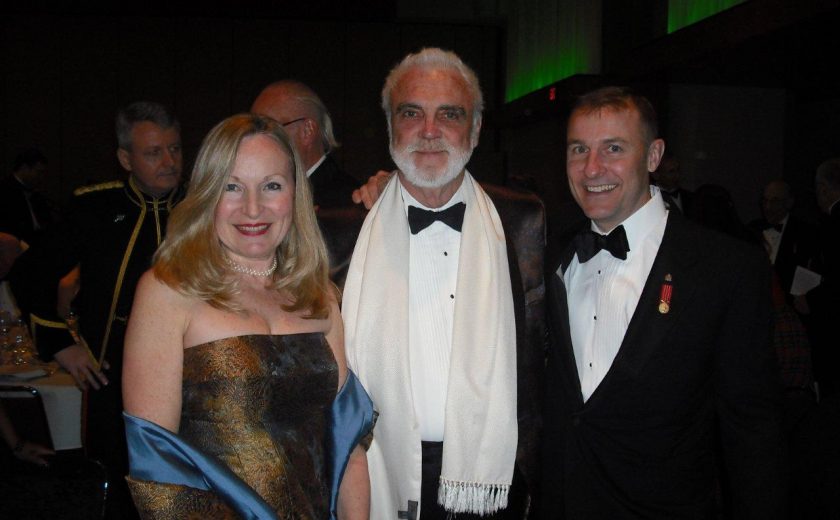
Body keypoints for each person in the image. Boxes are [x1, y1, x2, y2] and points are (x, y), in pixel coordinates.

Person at [540, 86, 786, 518]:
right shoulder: (548, 247)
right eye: (579, 149)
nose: (591, 168)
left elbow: (752, 430)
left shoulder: (725, 268)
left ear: (653, 157)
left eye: (613, 148)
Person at [122, 113, 372, 519]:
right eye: (232, 187)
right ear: (207, 194)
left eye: (271, 186)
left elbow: (350, 448)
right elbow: (158, 470)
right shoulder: (168, 290)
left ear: (295, 193)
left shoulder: (321, 294)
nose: (252, 208)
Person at [342, 48, 545, 519]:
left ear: (474, 130)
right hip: (373, 470)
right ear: (391, 128)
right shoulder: (345, 229)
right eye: (411, 113)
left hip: (489, 471)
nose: (429, 132)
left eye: (448, 115)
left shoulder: (522, 222)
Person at [8, 100, 184, 518]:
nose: (169, 161)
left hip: (189, 376)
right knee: (124, 491)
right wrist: (58, 341)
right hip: (113, 380)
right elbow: (29, 273)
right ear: (125, 158)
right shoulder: (93, 209)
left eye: (175, 149)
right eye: (153, 152)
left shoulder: (203, 206)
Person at [252, 79, 359, 209]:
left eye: (267, 128)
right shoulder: (255, 192)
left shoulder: (347, 202)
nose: (254, 140)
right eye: (252, 130)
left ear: (307, 131)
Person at [749, 179, 817, 295]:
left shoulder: (805, 232)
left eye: (775, 201)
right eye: (765, 200)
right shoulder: (752, 229)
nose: (768, 207)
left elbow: (809, 273)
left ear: (789, 203)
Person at [0, 147, 59, 247]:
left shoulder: (36, 193)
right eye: (39, 172)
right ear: (24, 168)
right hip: (17, 245)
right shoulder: (4, 191)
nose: (41, 177)